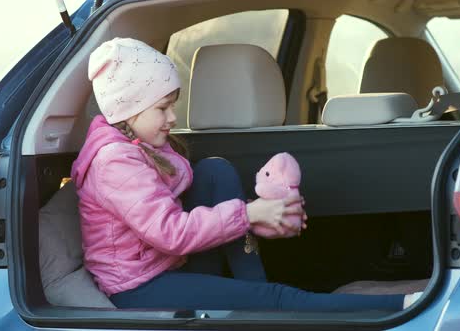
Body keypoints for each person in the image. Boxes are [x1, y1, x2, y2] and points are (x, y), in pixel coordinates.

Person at [70, 37, 421, 311]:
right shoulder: (115, 162)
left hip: (164, 263)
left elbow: (183, 200)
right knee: (280, 298)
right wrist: (249, 213)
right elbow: (171, 233)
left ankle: (256, 298)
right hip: (138, 287)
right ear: (129, 110)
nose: (173, 117)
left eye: (172, 105)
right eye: (163, 107)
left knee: (213, 171)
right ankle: (401, 305)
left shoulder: (140, 142)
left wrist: (259, 212)